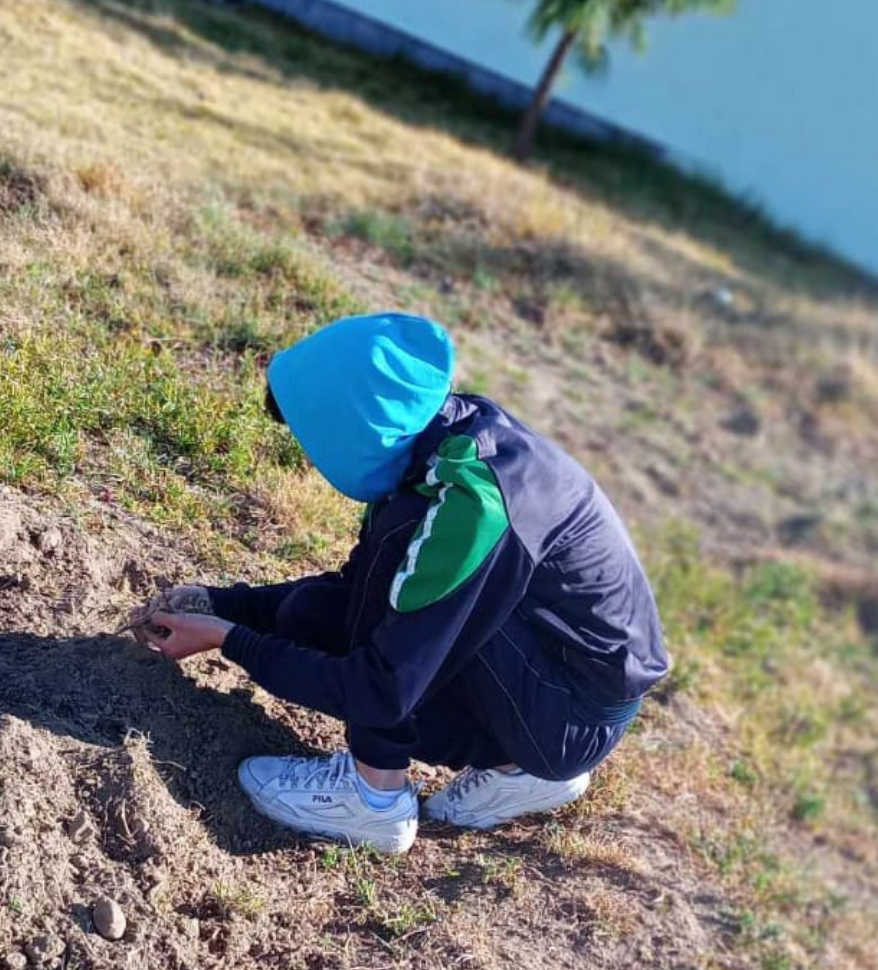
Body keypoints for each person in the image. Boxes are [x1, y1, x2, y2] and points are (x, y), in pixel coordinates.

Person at [131, 311, 668, 853]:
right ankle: (518, 769)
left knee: (385, 592)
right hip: (561, 679)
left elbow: (382, 686)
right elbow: (351, 591)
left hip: (568, 714)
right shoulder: (438, 440)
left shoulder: (468, 503)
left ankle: (374, 799)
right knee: (316, 611)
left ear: (348, 430)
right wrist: (222, 604)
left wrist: (228, 639)